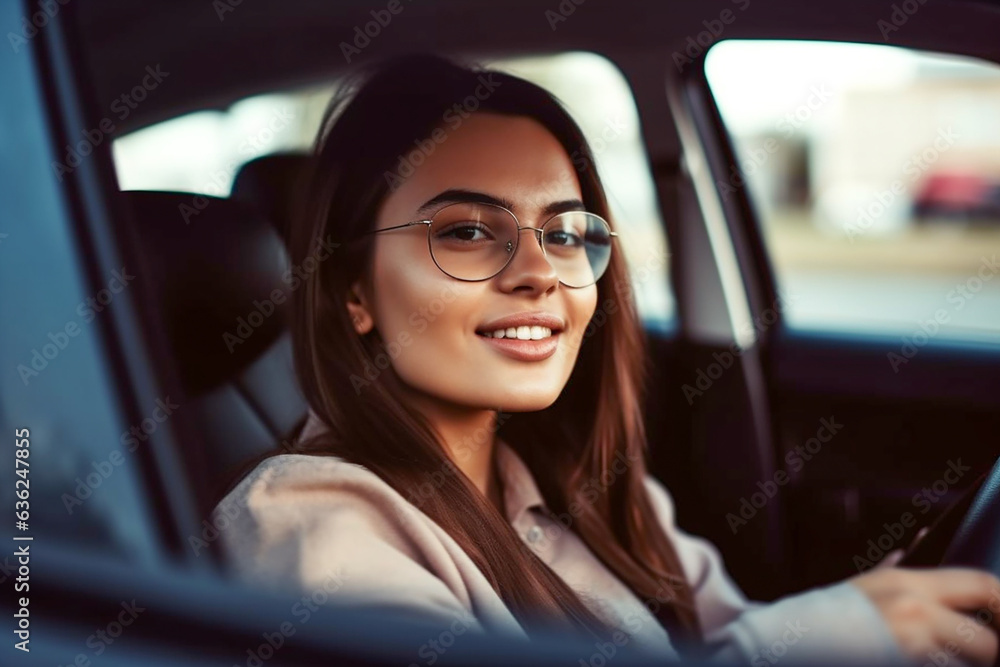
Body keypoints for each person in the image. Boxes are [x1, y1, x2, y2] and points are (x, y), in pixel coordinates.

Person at [212, 55, 1000, 664]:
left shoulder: (592, 487)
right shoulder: (308, 520)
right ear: (354, 291)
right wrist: (823, 636)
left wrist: (890, 613)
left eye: (563, 233)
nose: (538, 272)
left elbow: (726, 636)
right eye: (466, 231)